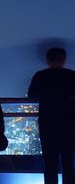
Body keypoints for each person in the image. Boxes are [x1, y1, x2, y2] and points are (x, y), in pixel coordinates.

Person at [28, 47, 75, 184]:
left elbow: (32, 95)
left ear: (47, 60)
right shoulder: (72, 76)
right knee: (68, 163)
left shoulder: (40, 76)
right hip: (69, 125)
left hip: (47, 125)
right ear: (64, 60)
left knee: (50, 164)